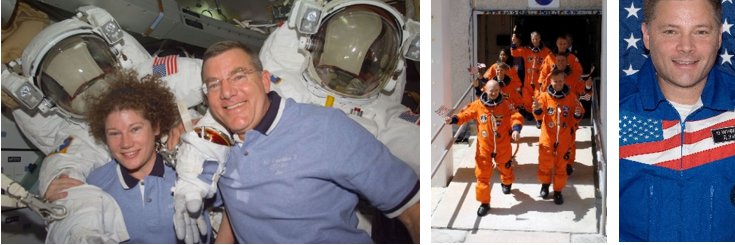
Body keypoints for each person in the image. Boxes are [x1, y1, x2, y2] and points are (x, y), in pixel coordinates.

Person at [1, 5, 212, 243]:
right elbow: (66, 183)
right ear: (51, 100)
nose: (92, 91)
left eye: (134, 128)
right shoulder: (81, 136)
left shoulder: (154, 75)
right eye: (78, 89)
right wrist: (81, 234)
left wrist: (199, 124)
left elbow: (222, 80)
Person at [618, 0, 735, 242]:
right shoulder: (614, 110)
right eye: (670, 31)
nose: (686, 47)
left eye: (701, 31)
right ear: (647, 35)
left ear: (719, 37)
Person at [201, 40, 420, 243]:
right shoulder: (212, 145)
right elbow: (237, 205)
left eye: (239, 76)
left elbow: (412, 209)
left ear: (265, 81)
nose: (226, 92)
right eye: (214, 85)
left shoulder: (326, 128)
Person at [83, 69, 216, 243]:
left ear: (156, 128)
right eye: (115, 133)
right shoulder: (96, 185)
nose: (126, 143)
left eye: (135, 129)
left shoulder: (188, 168)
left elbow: (235, 206)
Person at [444, 79, 524, 216]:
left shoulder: (505, 105)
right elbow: (466, 114)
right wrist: (454, 119)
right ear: (485, 91)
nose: (493, 93)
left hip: (502, 145)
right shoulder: (478, 105)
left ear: (500, 91)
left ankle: (507, 182)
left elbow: (515, 116)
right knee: (482, 176)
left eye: (496, 90)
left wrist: (516, 129)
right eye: (490, 90)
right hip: (484, 147)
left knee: (505, 167)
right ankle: (484, 203)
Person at [532, 69, 583, 204]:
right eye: (555, 81)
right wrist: (536, 108)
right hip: (548, 137)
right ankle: (545, 185)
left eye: (561, 81)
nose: (558, 84)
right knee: (545, 165)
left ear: (564, 81)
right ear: (551, 81)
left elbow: (577, 115)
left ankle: (558, 191)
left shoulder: (571, 97)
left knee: (561, 167)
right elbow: (538, 114)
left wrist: (577, 114)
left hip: (564, 138)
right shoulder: (544, 97)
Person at [511, 31, 551, 111]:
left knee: (539, 99)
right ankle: (529, 113)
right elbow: (514, 53)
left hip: (539, 81)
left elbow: (552, 63)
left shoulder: (546, 51)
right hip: (528, 81)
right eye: (533, 39)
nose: (535, 41)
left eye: (536, 39)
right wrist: (514, 43)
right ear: (531, 40)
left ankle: (537, 115)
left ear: (539, 39)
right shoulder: (526, 50)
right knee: (527, 100)